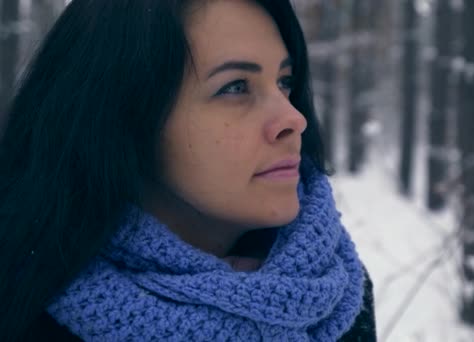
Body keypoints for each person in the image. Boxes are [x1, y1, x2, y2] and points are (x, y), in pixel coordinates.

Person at [0, 0, 376, 341]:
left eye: (285, 82)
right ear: (123, 119)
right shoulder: (24, 306)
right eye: (235, 87)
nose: (293, 118)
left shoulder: (333, 293)